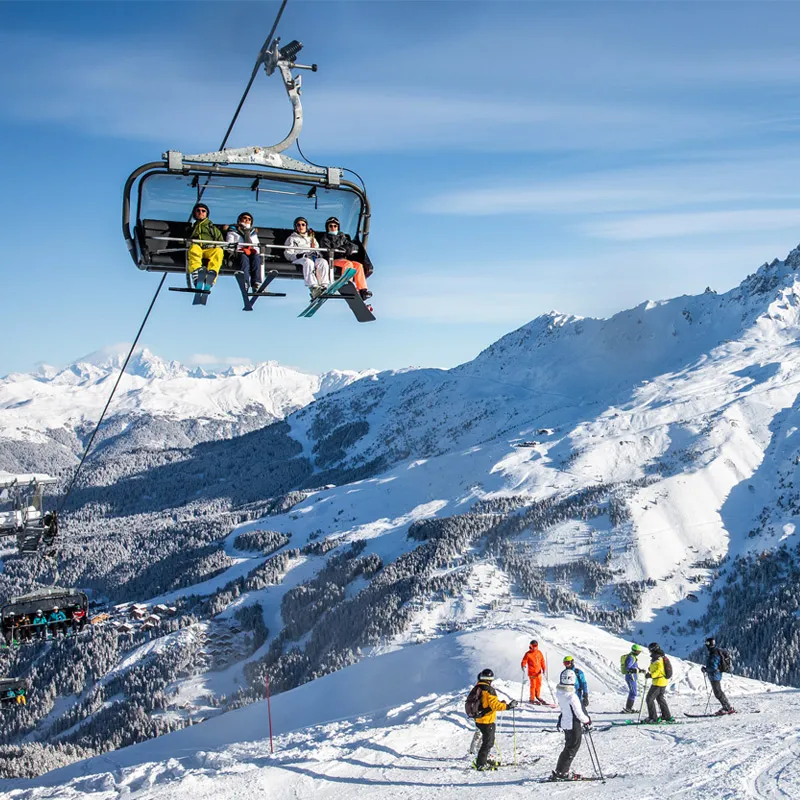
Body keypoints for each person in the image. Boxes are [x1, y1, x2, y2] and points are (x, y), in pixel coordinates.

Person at [470, 668, 517, 771]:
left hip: (479, 719)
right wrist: (508, 706)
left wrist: (501, 703)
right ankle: (481, 763)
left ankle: (484, 760)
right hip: (487, 720)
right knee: (488, 743)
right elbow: (495, 706)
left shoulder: (477, 688)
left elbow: (486, 703)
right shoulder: (489, 689)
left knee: (487, 742)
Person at [551, 667, 591, 782]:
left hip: (565, 723)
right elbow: (579, 713)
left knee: (568, 747)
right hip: (573, 724)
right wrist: (587, 720)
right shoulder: (572, 696)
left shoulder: (560, 693)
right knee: (573, 747)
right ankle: (562, 772)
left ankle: (560, 770)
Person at [317, 217, 371, 300]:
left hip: (343, 259)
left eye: (335, 226)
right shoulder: (325, 238)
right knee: (348, 264)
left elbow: (354, 245)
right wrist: (339, 251)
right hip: (332, 260)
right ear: (327, 228)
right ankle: (347, 283)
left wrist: (347, 248)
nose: (333, 228)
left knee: (358, 265)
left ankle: (362, 289)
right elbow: (326, 252)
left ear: (337, 227)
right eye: (330, 226)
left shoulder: (342, 237)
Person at [285, 217, 330, 299]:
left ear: (306, 226)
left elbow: (318, 250)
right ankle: (313, 287)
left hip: (311, 257)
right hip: (299, 259)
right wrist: (299, 255)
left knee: (322, 262)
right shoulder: (292, 238)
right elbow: (288, 253)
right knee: (308, 262)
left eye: (303, 224)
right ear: (295, 227)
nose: (301, 227)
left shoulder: (311, 239)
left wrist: (317, 254)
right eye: (298, 225)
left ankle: (324, 285)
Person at [186, 203, 224, 291]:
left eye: (203, 211)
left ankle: (211, 276)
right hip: (198, 248)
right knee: (194, 248)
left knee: (218, 251)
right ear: (194, 213)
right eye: (198, 210)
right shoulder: (191, 227)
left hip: (209, 249)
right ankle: (196, 274)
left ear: (206, 214)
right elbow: (183, 240)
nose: (200, 212)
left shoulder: (212, 228)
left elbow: (221, 241)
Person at [225, 212, 263, 293]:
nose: (247, 220)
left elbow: (256, 245)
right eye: (245, 218)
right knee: (244, 259)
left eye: (249, 219)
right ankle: (245, 282)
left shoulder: (252, 232)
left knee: (256, 258)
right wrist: (241, 249)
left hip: (251, 252)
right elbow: (230, 244)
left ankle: (256, 283)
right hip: (238, 253)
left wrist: (252, 249)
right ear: (240, 219)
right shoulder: (233, 230)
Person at [702, 637, 735, 715]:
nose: (706, 645)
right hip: (715, 675)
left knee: (718, 693)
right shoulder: (715, 652)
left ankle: (728, 708)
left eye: (707, 643)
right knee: (718, 692)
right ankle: (727, 707)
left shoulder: (714, 653)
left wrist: (705, 669)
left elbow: (713, 666)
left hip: (715, 675)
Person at [644, 642, 674, 723]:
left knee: (649, 699)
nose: (649, 651)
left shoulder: (658, 658)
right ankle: (667, 716)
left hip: (658, 682)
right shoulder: (658, 657)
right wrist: (650, 669)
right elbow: (657, 668)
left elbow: (659, 670)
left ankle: (653, 718)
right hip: (661, 681)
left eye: (650, 649)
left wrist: (651, 675)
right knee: (660, 698)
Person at [622, 643, 646, 712]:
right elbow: (628, 667)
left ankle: (629, 708)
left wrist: (640, 670)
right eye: (638, 651)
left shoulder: (633, 657)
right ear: (634, 650)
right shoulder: (630, 657)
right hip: (630, 677)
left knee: (633, 692)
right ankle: (628, 708)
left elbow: (634, 667)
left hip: (633, 677)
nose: (639, 653)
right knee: (633, 692)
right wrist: (634, 670)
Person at [521, 639, 547, 704]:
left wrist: (544, 669)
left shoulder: (539, 652)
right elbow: (524, 661)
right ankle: (532, 698)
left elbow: (542, 661)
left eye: (536, 645)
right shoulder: (528, 654)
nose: (534, 647)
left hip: (539, 673)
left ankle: (537, 696)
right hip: (532, 673)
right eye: (533, 645)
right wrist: (523, 665)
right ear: (531, 646)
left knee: (539, 685)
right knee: (533, 686)